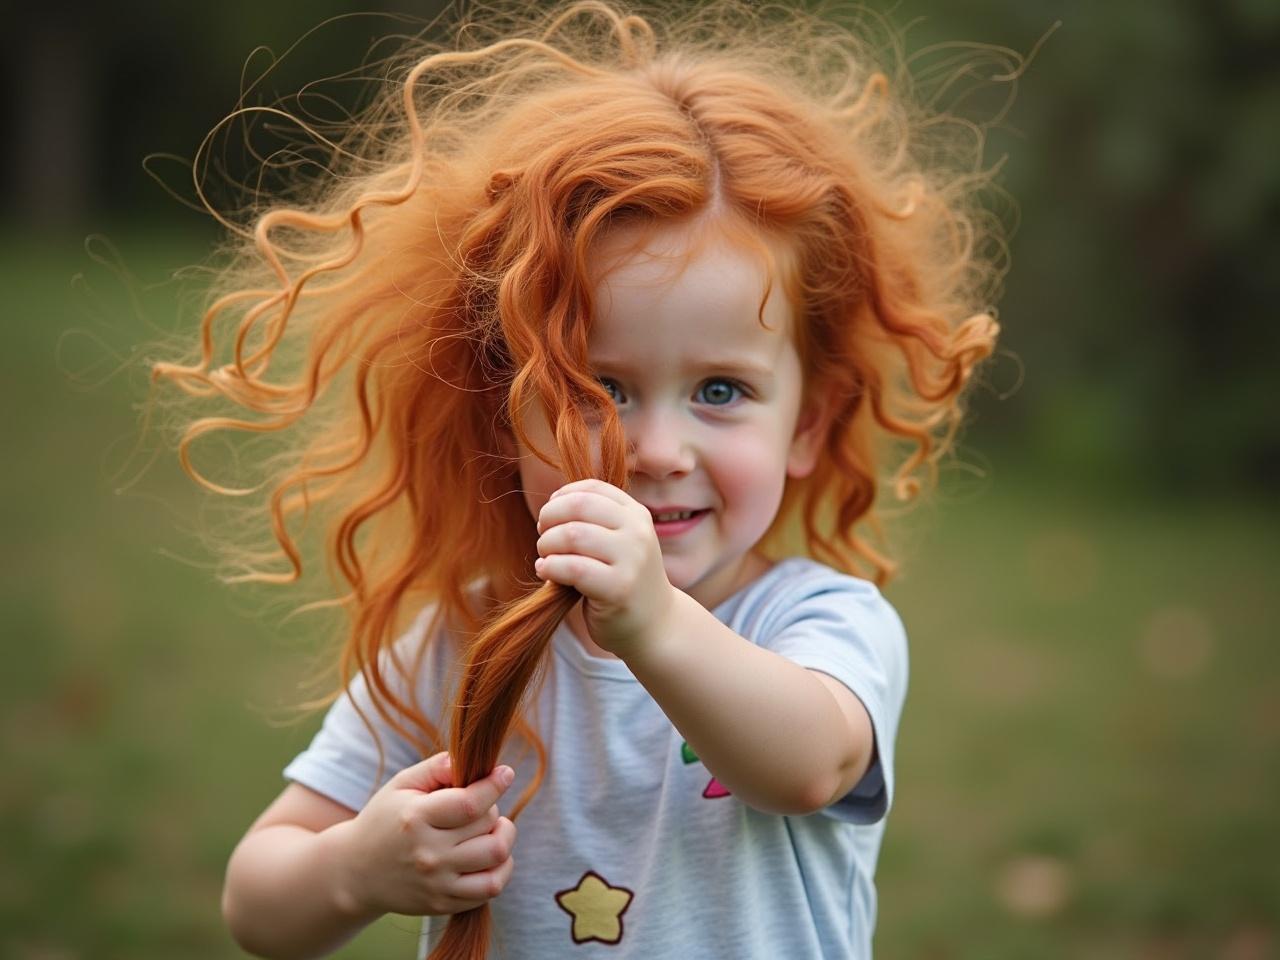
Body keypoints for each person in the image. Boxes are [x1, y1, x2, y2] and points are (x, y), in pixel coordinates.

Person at [151, 1, 1006, 957]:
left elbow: (808, 765)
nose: (658, 450)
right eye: (598, 388)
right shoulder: (462, 645)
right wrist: (355, 869)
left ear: (806, 424)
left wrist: (653, 622)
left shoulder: (816, 626)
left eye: (721, 389)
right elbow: (255, 907)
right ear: (500, 413)